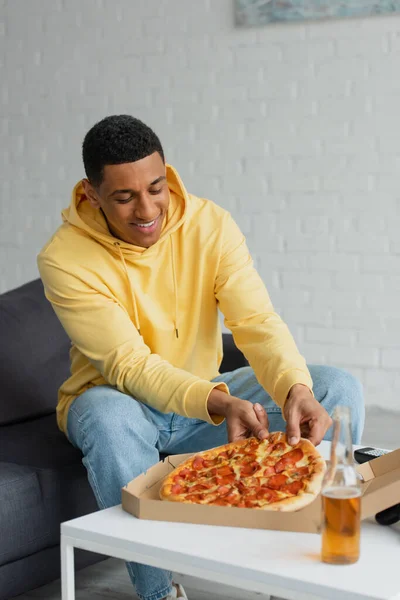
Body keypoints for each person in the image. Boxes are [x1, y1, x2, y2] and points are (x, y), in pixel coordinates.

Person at [38, 115, 364, 600]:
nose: (147, 209)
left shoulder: (211, 225)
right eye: (124, 197)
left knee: (335, 387)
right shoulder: (63, 259)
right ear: (91, 193)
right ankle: (158, 593)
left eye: (155, 188)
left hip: (207, 398)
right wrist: (217, 401)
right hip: (122, 404)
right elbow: (129, 365)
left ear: (167, 175)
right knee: (105, 416)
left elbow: (257, 322)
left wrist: (293, 388)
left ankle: (299, 582)